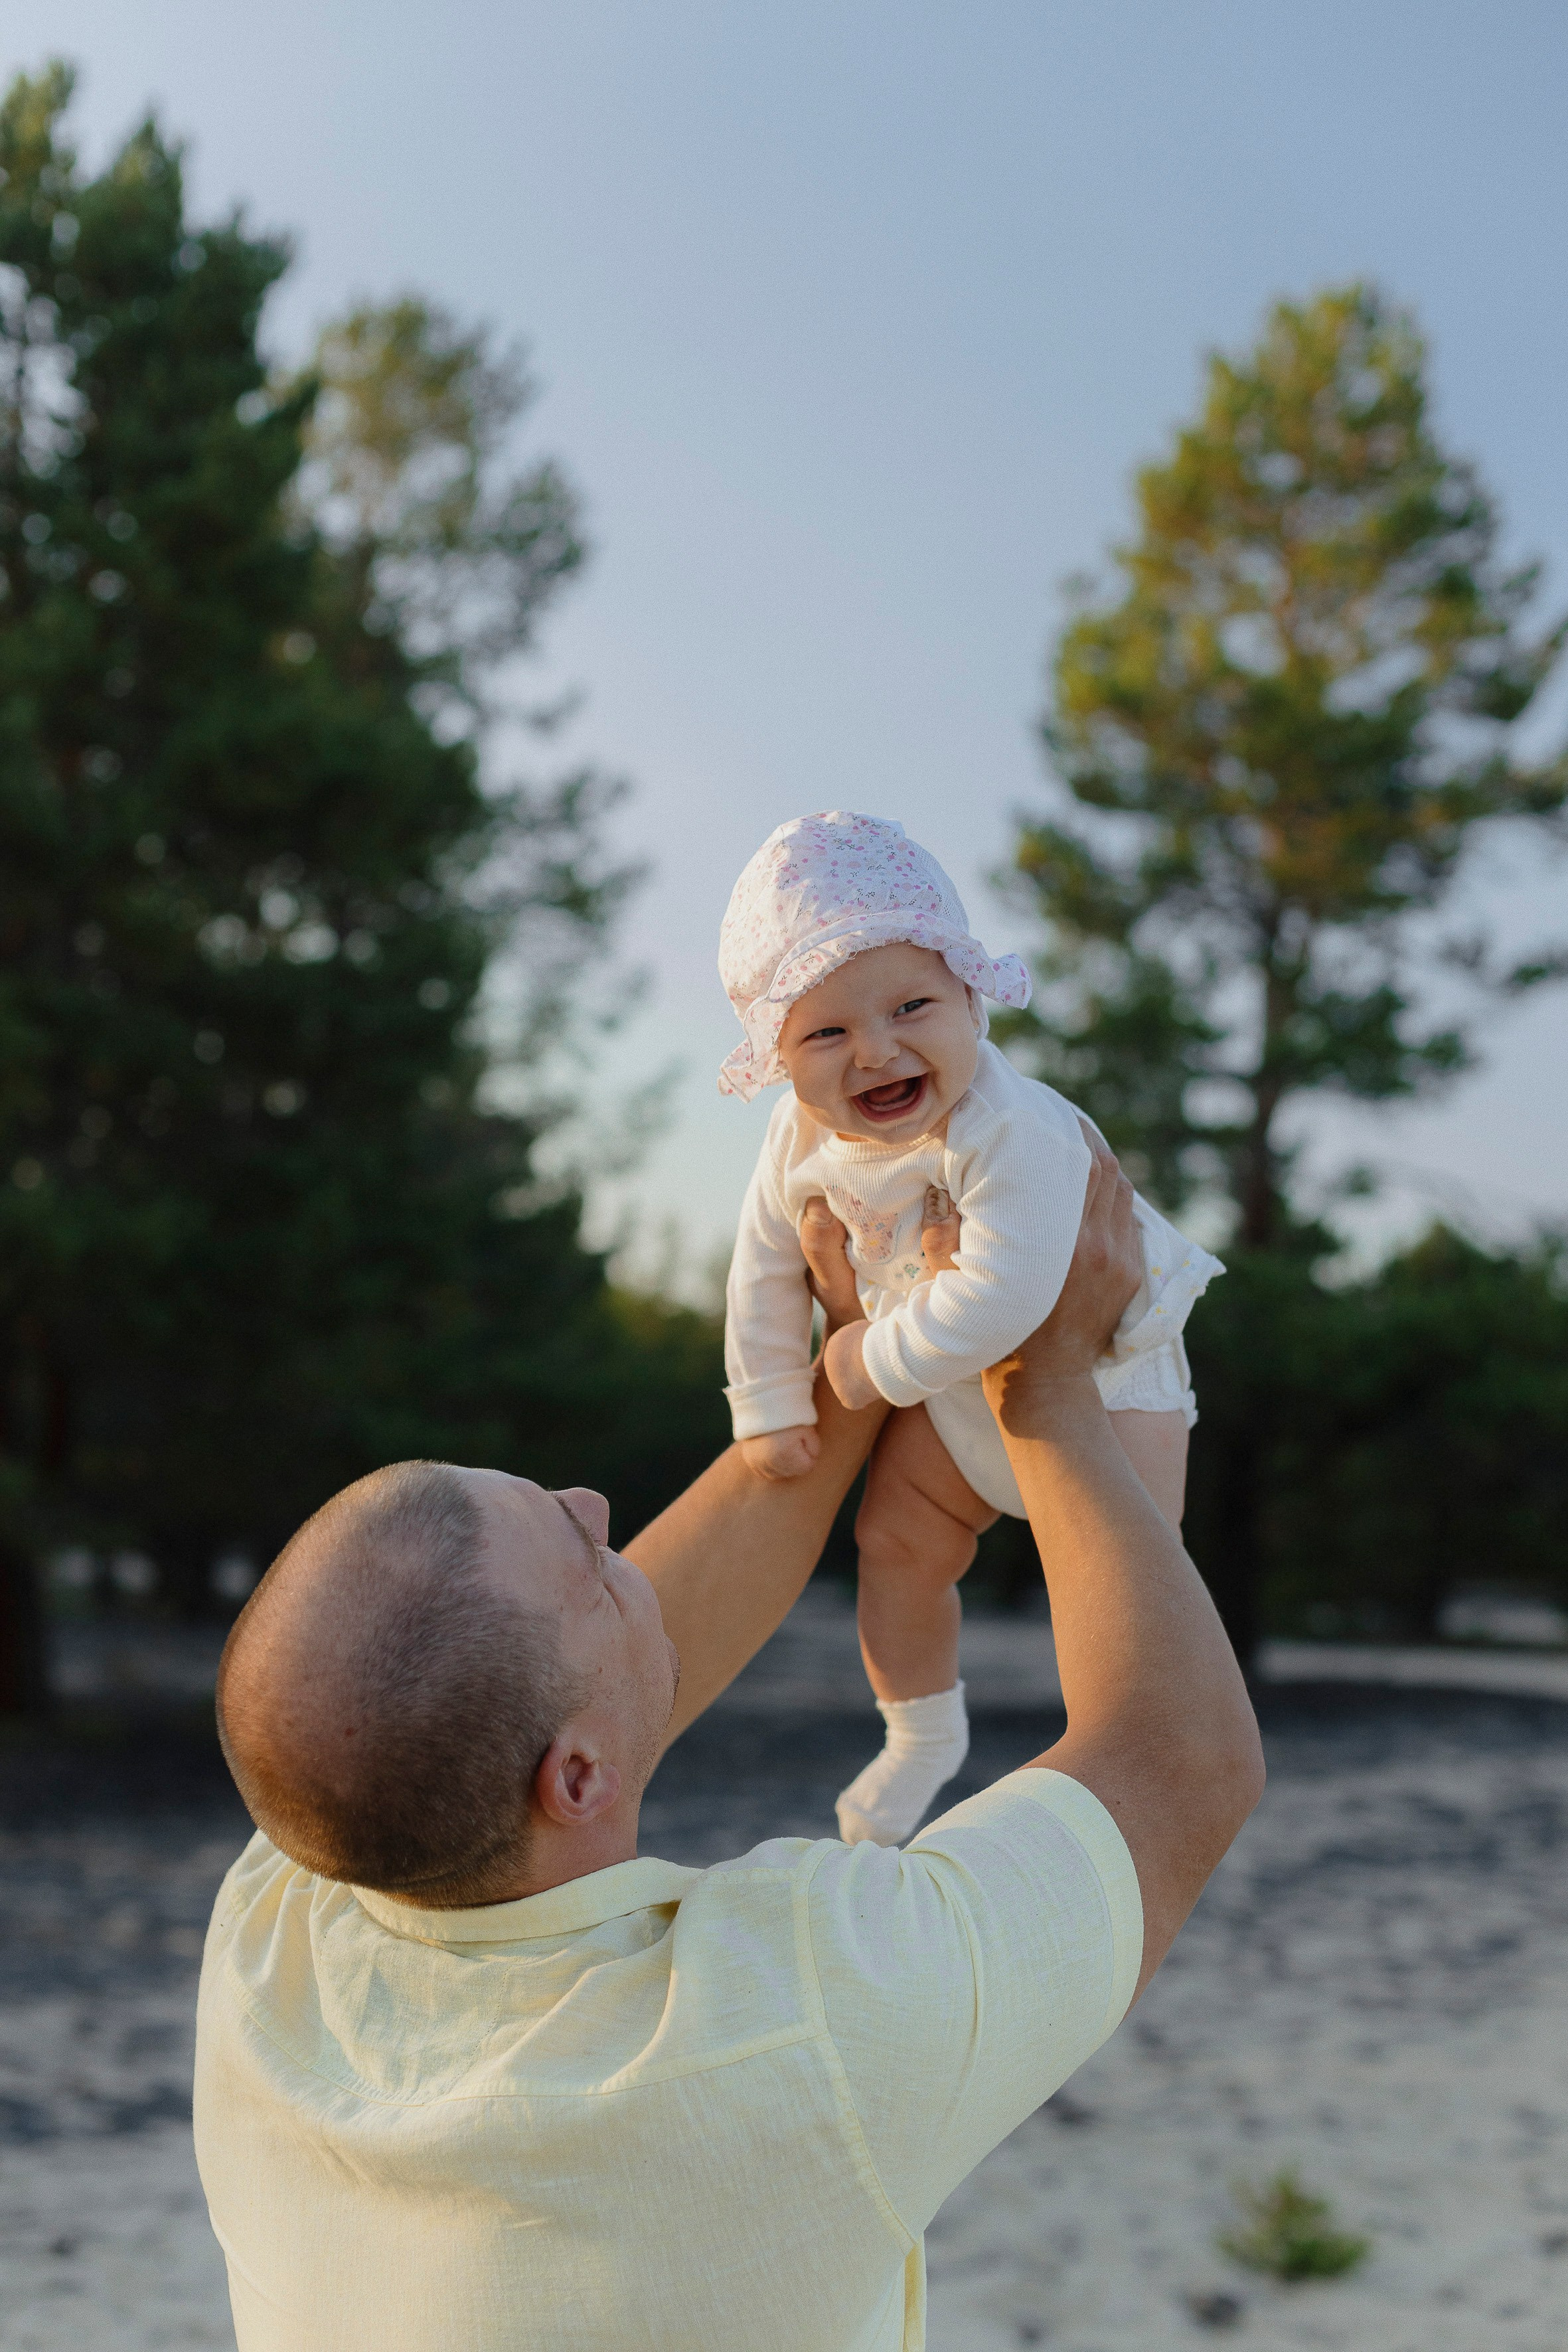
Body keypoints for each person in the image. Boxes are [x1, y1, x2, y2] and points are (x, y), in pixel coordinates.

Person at [195, 1135, 1263, 2352]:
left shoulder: (278, 1924)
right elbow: (1182, 1763)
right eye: (586, 1555)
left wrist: (874, 1354)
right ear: (578, 1780)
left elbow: (539, 1691)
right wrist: (1048, 1383)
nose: (600, 1510)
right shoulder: (797, 2015)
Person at [718, 809, 1223, 1843]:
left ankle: (1117, 1764)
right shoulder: (792, 1139)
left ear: (971, 999)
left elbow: (1009, 1295)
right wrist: (769, 1399)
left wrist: (865, 1361)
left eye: (911, 1006)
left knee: (1128, 1582)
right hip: (954, 1394)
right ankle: (919, 1734)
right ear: (776, 1055)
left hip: (1106, 1382)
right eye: (826, 1031)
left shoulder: (1009, 1125)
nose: (877, 1050)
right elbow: (766, 1266)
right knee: (893, 1541)